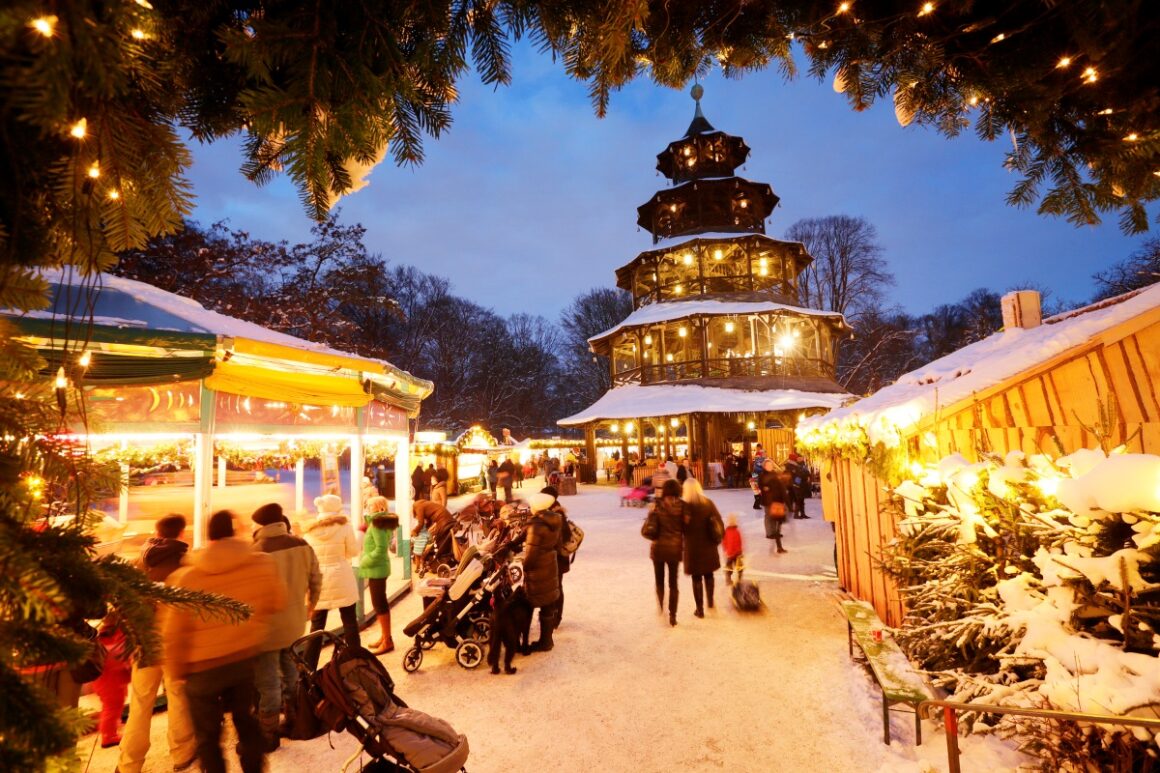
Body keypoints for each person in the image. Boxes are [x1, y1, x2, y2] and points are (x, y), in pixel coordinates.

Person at [164, 510, 286, 773]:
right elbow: (278, 602)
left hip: (201, 669)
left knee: (208, 736)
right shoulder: (261, 563)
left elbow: (173, 633)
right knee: (245, 720)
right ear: (236, 531)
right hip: (242, 658)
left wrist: (177, 672)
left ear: (208, 537)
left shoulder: (187, 577)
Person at [118, 514, 197, 773]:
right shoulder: (186, 563)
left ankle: (129, 764)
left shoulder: (136, 563)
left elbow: (121, 603)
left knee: (140, 701)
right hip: (174, 644)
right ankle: (182, 754)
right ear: (182, 533)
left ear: (157, 531)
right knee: (177, 696)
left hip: (144, 642)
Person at [250, 502, 321, 750]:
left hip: (268, 627)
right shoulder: (301, 544)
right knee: (291, 673)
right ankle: (294, 720)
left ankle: (268, 735)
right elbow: (316, 577)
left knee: (268, 682)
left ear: (260, 525)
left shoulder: (257, 550)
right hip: (294, 623)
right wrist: (311, 605)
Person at [301, 495, 360, 669]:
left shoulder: (309, 531)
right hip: (341, 576)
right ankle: (356, 660)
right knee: (349, 620)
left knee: (317, 625)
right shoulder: (345, 527)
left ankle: (309, 666)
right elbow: (353, 551)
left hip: (319, 581)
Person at [520, 492, 562, 651]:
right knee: (548, 605)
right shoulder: (555, 520)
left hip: (538, 571)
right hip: (550, 565)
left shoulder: (536, 525)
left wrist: (524, 566)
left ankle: (523, 641)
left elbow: (530, 555)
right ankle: (547, 641)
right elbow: (558, 545)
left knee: (527, 604)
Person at [359, 495, 399, 656]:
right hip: (378, 567)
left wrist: (365, 561)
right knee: (379, 603)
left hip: (377, 568)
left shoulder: (377, 525)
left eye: (370, 506)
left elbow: (381, 548)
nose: (367, 508)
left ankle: (387, 640)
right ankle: (384, 636)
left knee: (379, 604)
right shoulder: (378, 522)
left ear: (378, 507)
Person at [681, 478, 723, 618]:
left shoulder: (685, 507)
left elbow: (680, 527)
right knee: (709, 574)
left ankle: (700, 610)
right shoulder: (708, 503)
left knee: (696, 577)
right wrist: (717, 539)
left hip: (692, 547)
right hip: (708, 544)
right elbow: (719, 521)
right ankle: (710, 601)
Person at [649, 479, 685, 626]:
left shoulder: (657, 506)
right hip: (674, 550)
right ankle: (673, 615)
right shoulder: (683, 506)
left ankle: (661, 603)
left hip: (658, 549)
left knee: (659, 579)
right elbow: (686, 527)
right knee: (673, 583)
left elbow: (650, 529)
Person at [93, 614, 132, 748]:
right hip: (109, 679)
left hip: (108, 678)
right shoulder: (113, 636)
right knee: (112, 706)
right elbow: (118, 655)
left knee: (114, 705)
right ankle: (108, 736)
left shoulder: (103, 636)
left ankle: (111, 732)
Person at [540, 485, 572, 626]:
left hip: (558, 558)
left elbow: (566, 535)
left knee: (557, 587)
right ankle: (552, 615)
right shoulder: (547, 512)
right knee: (552, 587)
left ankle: (556, 617)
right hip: (552, 558)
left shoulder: (557, 514)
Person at [411, 498, 457, 564]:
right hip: (448, 519)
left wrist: (414, 531)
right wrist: (426, 530)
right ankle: (445, 559)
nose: (417, 517)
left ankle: (437, 561)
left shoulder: (418, 507)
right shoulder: (424, 503)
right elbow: (428, 521)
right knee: (443, 541)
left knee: (437, 541)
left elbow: (421, 523)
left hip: (443, 521)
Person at [758, 458, 788, 553]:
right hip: (767, 499)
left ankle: (775, 532)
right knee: (768, 515)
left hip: (776, 499)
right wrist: (764, 488)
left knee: (775, 516)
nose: (770, 467)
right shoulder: (762, 475)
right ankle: (769, 532)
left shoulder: (775, 474)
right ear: (765, 466)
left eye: (771, 465)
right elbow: (760, 485)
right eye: (768, 465)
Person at [722, 512, 744, 585]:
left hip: (736, 553)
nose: (732, 523)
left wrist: (740, 551)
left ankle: (739, 578)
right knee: (729, 568)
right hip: (731, 554)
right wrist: (726, 550)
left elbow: (739, 542)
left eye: (733, 521)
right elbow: (724, 542)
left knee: (739, 567)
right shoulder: (727, 532)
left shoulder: (736, 532)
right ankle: (728, 579)